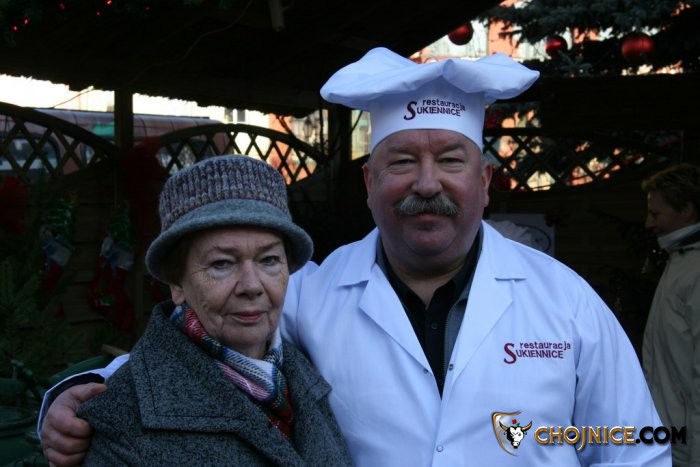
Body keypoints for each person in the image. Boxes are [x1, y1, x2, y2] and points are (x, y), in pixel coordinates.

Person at [40, 47, 670, 466]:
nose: (427, 182)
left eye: (451, 160)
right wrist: (77, 393)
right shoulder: (310, 292)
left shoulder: (566, 301)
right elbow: (191, 352)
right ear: (370, 184)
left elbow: (634, 447)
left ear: (484, 181)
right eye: (402, 161)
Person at [62, 155, 352, 465]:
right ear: (177, 284)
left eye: (269, 260)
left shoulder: (302, 371)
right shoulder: (123, 417)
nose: (251, 286)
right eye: (222, 264)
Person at [641, 163, 700, 467]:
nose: (648, 223)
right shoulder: (680, 259)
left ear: (686, 210)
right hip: (668, 436)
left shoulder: (696, 269)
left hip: (687, 445)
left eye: (656, 214)